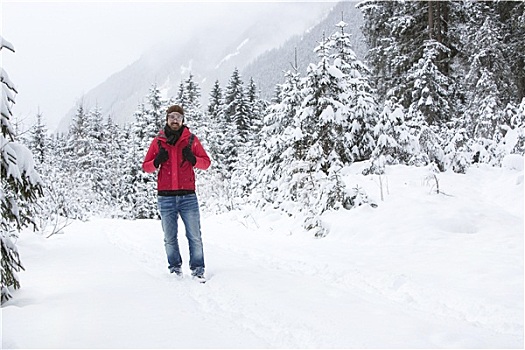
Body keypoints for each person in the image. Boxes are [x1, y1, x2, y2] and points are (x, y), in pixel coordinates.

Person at [142, 105, 211, 282]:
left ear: (183, 120)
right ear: (167, 119)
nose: (175, 120)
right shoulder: (158, 142)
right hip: (165, 198)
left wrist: (193, 159)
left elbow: (206, 163)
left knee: (194, 235)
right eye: (172, 117)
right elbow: (146, 167)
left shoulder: (191, 140)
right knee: (169, 237)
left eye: (178, 117)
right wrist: (157, 161)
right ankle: (174, 269)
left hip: (188, 197)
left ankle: (198, 270)